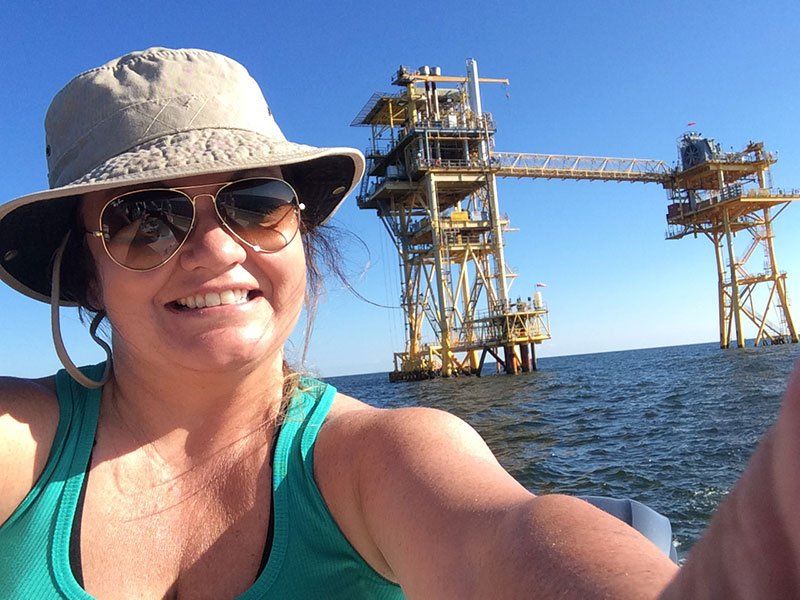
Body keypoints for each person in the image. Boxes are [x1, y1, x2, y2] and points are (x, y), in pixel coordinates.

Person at [0, 47, 796, 600]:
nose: (216, 248)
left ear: (300, 235)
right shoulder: (18, 442)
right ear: (86, 275)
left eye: (257, 203)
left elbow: (503, 541)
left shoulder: (381, 457)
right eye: (145, 220)